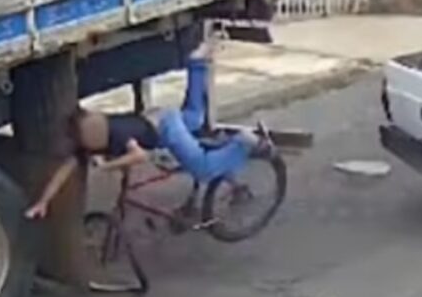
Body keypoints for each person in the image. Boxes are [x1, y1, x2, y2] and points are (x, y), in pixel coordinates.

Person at [25, 53, 268, 220]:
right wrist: (43, 202)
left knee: (201, 168)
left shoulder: (114, 134)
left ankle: (243, 142)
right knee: (193, 119)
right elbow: (63, 173)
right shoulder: (90, 138)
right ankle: (197, 65)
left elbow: (138, 156)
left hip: (164, 128)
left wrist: (108, 166)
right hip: (159, 119)